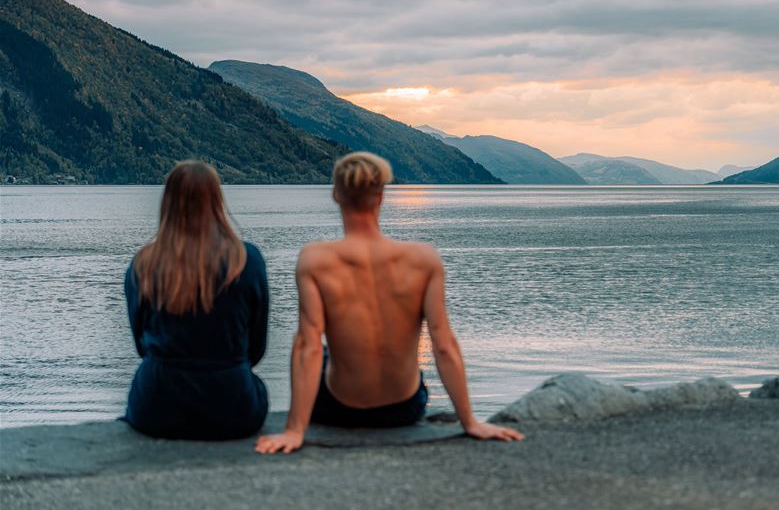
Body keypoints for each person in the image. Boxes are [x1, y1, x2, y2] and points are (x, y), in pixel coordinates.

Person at [256, 152, 523, 454]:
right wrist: (470, 422)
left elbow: (309, 345)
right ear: (381, 196)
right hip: (403, 409)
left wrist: (294, 431)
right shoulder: (423, 259)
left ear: (336, 194)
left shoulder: (316, 260)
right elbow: (444, 344)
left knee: (325, 351)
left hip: (340, 409)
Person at [123, 161, 269, 440]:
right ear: (217, 201)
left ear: (168, 203)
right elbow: (256, 348)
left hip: (157, 406)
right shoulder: (247, 261)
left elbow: (142, 345)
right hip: (232, 405)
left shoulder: (143, 265)